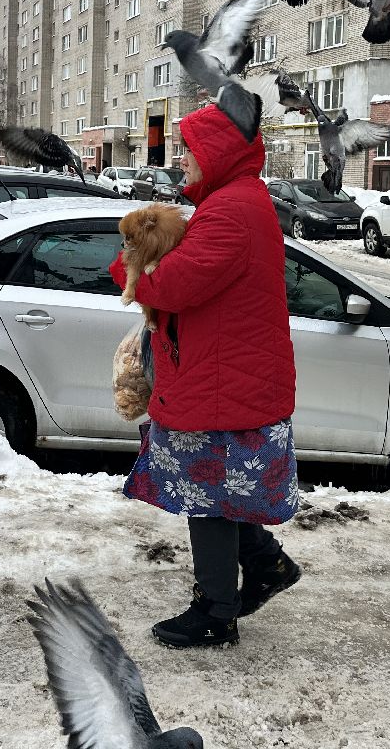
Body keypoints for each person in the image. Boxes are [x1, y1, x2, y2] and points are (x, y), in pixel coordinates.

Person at [108, 102, 299, 648]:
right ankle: (267, 567)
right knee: (221, 491)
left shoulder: (230, 210)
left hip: (222, 384)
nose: (183, 159)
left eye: (190, 149)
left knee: (206, 497)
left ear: (214, 152)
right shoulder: (233, 202)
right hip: (225, 377)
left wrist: (127, 264)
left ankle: (217, 612)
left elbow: (172, 285)